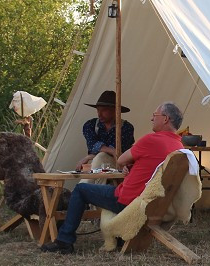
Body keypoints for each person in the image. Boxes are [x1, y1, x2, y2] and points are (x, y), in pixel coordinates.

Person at [41, 101, 185, 254]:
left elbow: (121, 159)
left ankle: (64, 241)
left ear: (165, 119)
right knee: (106, 187)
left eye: (154, 115)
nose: (151, 118)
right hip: (154, 202)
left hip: (128, 200)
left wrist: (129, 162)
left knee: (80, 189)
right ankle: (116, 235)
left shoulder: (151, 139)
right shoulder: (179, 147)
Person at [77, 90, 134, 171]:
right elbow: (92, 145)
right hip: (94, 165)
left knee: (101, 156)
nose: (99, 114)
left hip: (116, 166)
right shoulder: (90, 125)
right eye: (98, 110)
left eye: (104, 110)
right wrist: (112, 151)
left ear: (115, 110)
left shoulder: (126, 127)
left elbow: (119, 153)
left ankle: (83, 184)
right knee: (98, 160)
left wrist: (90, 156)